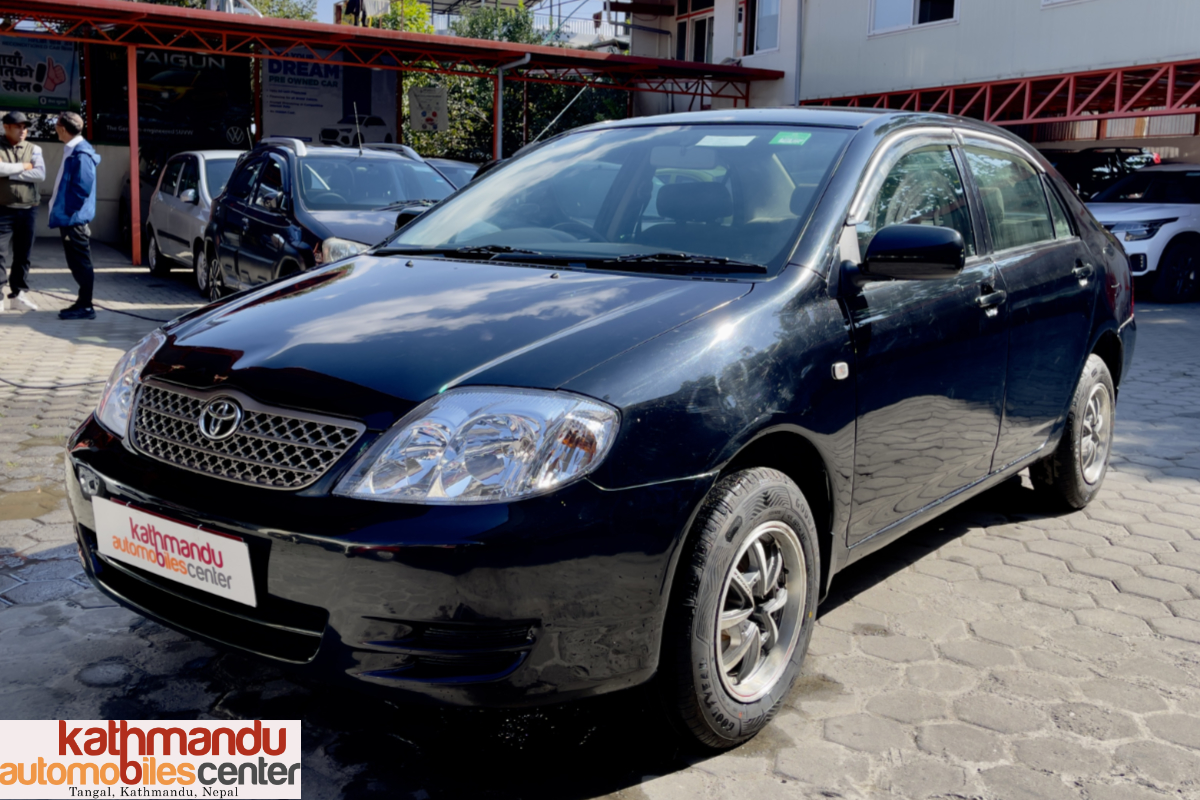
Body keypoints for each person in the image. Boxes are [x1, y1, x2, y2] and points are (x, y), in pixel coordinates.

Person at [48, 112, 101, 321]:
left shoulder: (81, 153)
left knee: (81, 263)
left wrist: (70, 211)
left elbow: (82, 188)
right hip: (71, 217)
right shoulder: (74, 150)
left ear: (62, 129)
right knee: (76, 262)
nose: (55, 129)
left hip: (74, 219)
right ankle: (83, 302)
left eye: (56, 125)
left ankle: (86, 306)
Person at [0, 110, 46, 313]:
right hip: (2, 209)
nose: (23, 130)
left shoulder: (34, 148)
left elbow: (40, 174)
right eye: (18, 126)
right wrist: (24, 166)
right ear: (6, 127)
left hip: (28, 210)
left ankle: (18, 295)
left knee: (23, 255)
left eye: (25, 127)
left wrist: (9, 173)